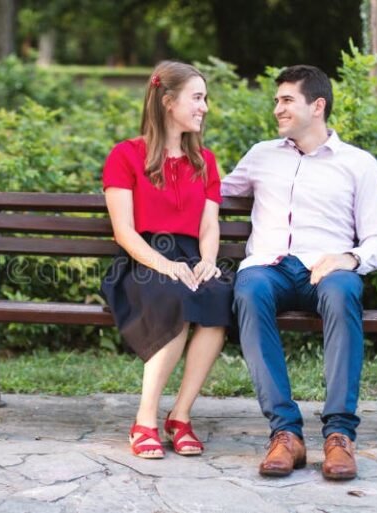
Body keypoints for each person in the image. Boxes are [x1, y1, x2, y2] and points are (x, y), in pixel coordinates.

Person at [220, 65, 377, 480]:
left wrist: (347, 259)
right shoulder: (261, 155)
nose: (277, 108)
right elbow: (213, 192)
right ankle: (285, 434)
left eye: (286, 100)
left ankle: (339, 436)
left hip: (327, 269)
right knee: (248, 290)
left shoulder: (358, 164)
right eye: (277, 100)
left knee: (342, 292)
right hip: (270, 268)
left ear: (317, 106)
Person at [101, 61, 235, 459]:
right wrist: (165, 264)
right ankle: (144, 420)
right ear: (168, 101)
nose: (205, 107)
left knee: (218, 297)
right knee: (176, 295)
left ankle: (180, 415)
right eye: (197, 98)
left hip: (191, 258)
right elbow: (123, 230)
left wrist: (207, 260)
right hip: (142, 260)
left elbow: (209, 225)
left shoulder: (204, 161)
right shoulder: (125, 156)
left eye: (205, 98)